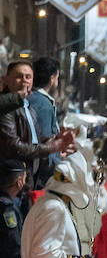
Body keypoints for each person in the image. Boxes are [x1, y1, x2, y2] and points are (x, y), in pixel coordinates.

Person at [0, 61, 71, 186]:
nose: (24, 80)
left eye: (28, 77)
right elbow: (14, 146)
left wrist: (54, 140)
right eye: (19, 76)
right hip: (10, 181)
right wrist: (50, 147)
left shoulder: (28, 106)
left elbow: (30, 138)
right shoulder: (6, 108)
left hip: (27, 179)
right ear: (6, 79)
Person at [28, 57, 60, 187]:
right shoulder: (43, 104)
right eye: (58, 78)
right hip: (38, 181)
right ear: (52, 79)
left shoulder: (32, 98)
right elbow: (45, 151)